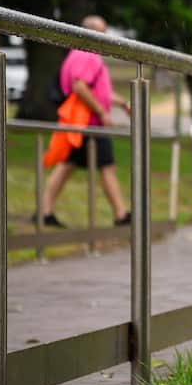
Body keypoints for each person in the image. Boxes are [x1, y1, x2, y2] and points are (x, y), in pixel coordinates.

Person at [37, 15, 131, 228]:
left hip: (80, 123)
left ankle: (45, 211)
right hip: (90, 124)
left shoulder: (75, 54)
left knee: (66, 166)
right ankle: (120, 214)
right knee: (107, 166)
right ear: (90, 32)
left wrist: (122, 103)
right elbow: (80, 86)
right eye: (102, 32)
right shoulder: (88, 55)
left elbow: (99, 91)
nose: (105, 37)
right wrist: (102, 112)